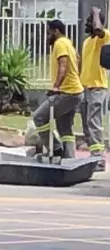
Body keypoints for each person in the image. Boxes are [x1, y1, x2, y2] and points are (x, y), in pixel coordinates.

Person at [31, 20, 84, 159]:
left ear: (56, 31)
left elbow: (63, 65)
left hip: (66, 93)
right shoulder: (68, 43)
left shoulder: (60, 44)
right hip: (76, 92)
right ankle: (69, 160)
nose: (47, 36)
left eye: (49, 33)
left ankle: (55, 148)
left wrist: (56, 86)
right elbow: (78, 60)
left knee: (39, 117)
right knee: (65, 128)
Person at [79, 7, 109, 170]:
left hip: (98, 87)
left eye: (90, 21)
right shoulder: (87, 42)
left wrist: (96, 13)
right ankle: (93, 157)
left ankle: (99, 158)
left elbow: (99, 29)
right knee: (86, 123)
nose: (87, 23)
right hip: (85, 87)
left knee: (94, 122)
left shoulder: (103, 37)